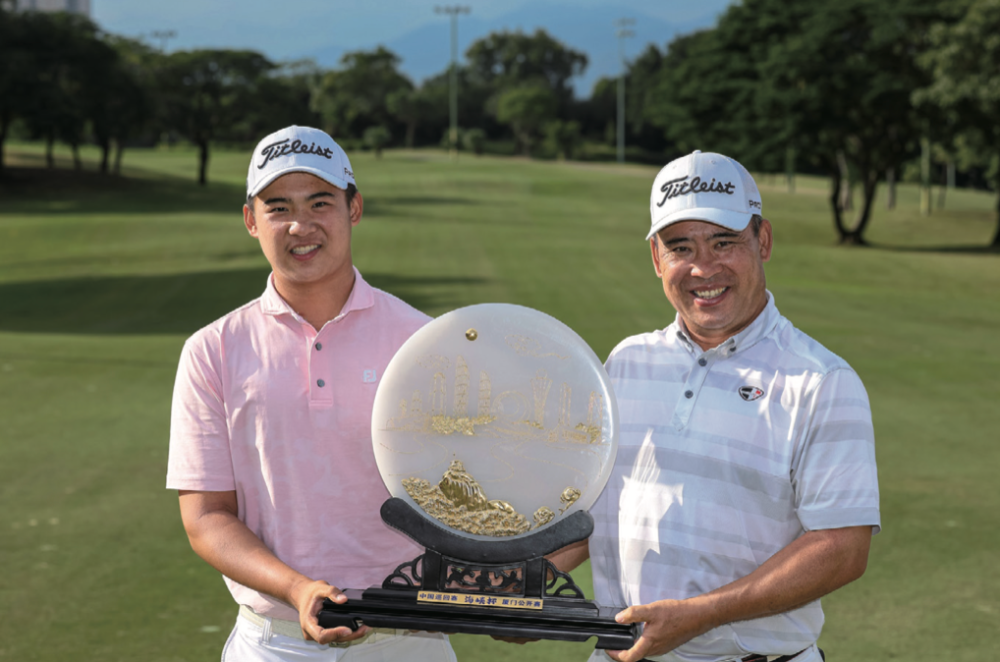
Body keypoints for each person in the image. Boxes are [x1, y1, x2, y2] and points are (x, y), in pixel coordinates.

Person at [555, 150, 880, 662]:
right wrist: (523, 586)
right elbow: (599, 511)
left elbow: (842, 549)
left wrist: (704, 614)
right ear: (656, 258)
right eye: (680, 247)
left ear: (763, 240)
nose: (703, 267)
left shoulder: (821, 381)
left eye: (724, 242)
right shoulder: (625, 363)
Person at [166, 125, 456, 662]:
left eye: (320, 202)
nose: (301, 225)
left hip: (410, 639)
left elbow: (462, 493)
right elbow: (206, 517)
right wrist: (296, 589)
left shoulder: (425, 341)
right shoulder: (212, 350)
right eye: (278, 207)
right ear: (251, 220)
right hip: (274, 642)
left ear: (354, 208)